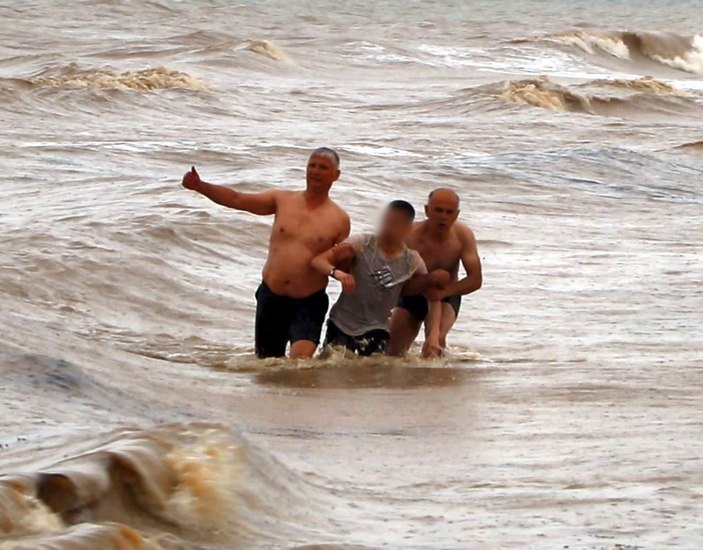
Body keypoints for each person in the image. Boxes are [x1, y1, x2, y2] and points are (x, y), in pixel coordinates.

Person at [181, 148, 350, 359]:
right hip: (271, 296)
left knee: (301, 361)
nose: (315, 171)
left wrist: (345, 263)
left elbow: (339, 263)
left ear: (336, 175)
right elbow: (237, 199)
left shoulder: (339, 219)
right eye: (312, 165)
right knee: (267, 363)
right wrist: (200, 186)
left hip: (309, 301)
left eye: (323, 167)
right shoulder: (282, 200)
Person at [311, 200, 450, 357]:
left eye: (396, 223)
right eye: (387, 221)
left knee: (373, 373)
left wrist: (433, 335)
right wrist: (338, 273)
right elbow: (318, 261)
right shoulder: (361, 243)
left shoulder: (411, 260)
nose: (389, 227)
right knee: (331, 367)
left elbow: (433, 297)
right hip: (342, 323)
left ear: (407, 229)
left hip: (378, 328)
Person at [388, 188, 482, 357]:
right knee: (393, 353)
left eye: (449, 212)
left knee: (436, 342)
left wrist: (444, 292)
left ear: (456, 214)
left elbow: (475, 280)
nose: (443, 216)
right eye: (438, 210)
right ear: (427, 210)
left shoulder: (463, 236)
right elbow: (391, 276)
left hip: (446, 295)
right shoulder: (409, 236)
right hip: (412, 294)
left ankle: (435, 380)